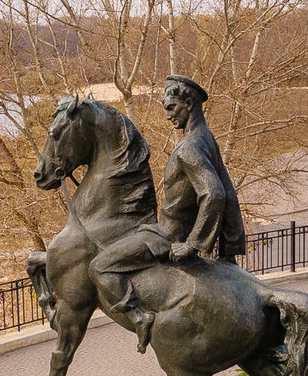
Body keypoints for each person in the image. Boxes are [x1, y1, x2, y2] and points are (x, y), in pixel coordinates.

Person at [88, 74, 246, 351]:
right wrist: (230, 248)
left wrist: (192, 244)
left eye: (171, 107)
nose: (168, 116)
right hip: (164, 229)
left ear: (189, 103)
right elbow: (228, 190)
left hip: (166, 237)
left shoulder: (190, 149)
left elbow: (215, 194)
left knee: (98, 266)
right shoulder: (205, 137)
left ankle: (140, 318)